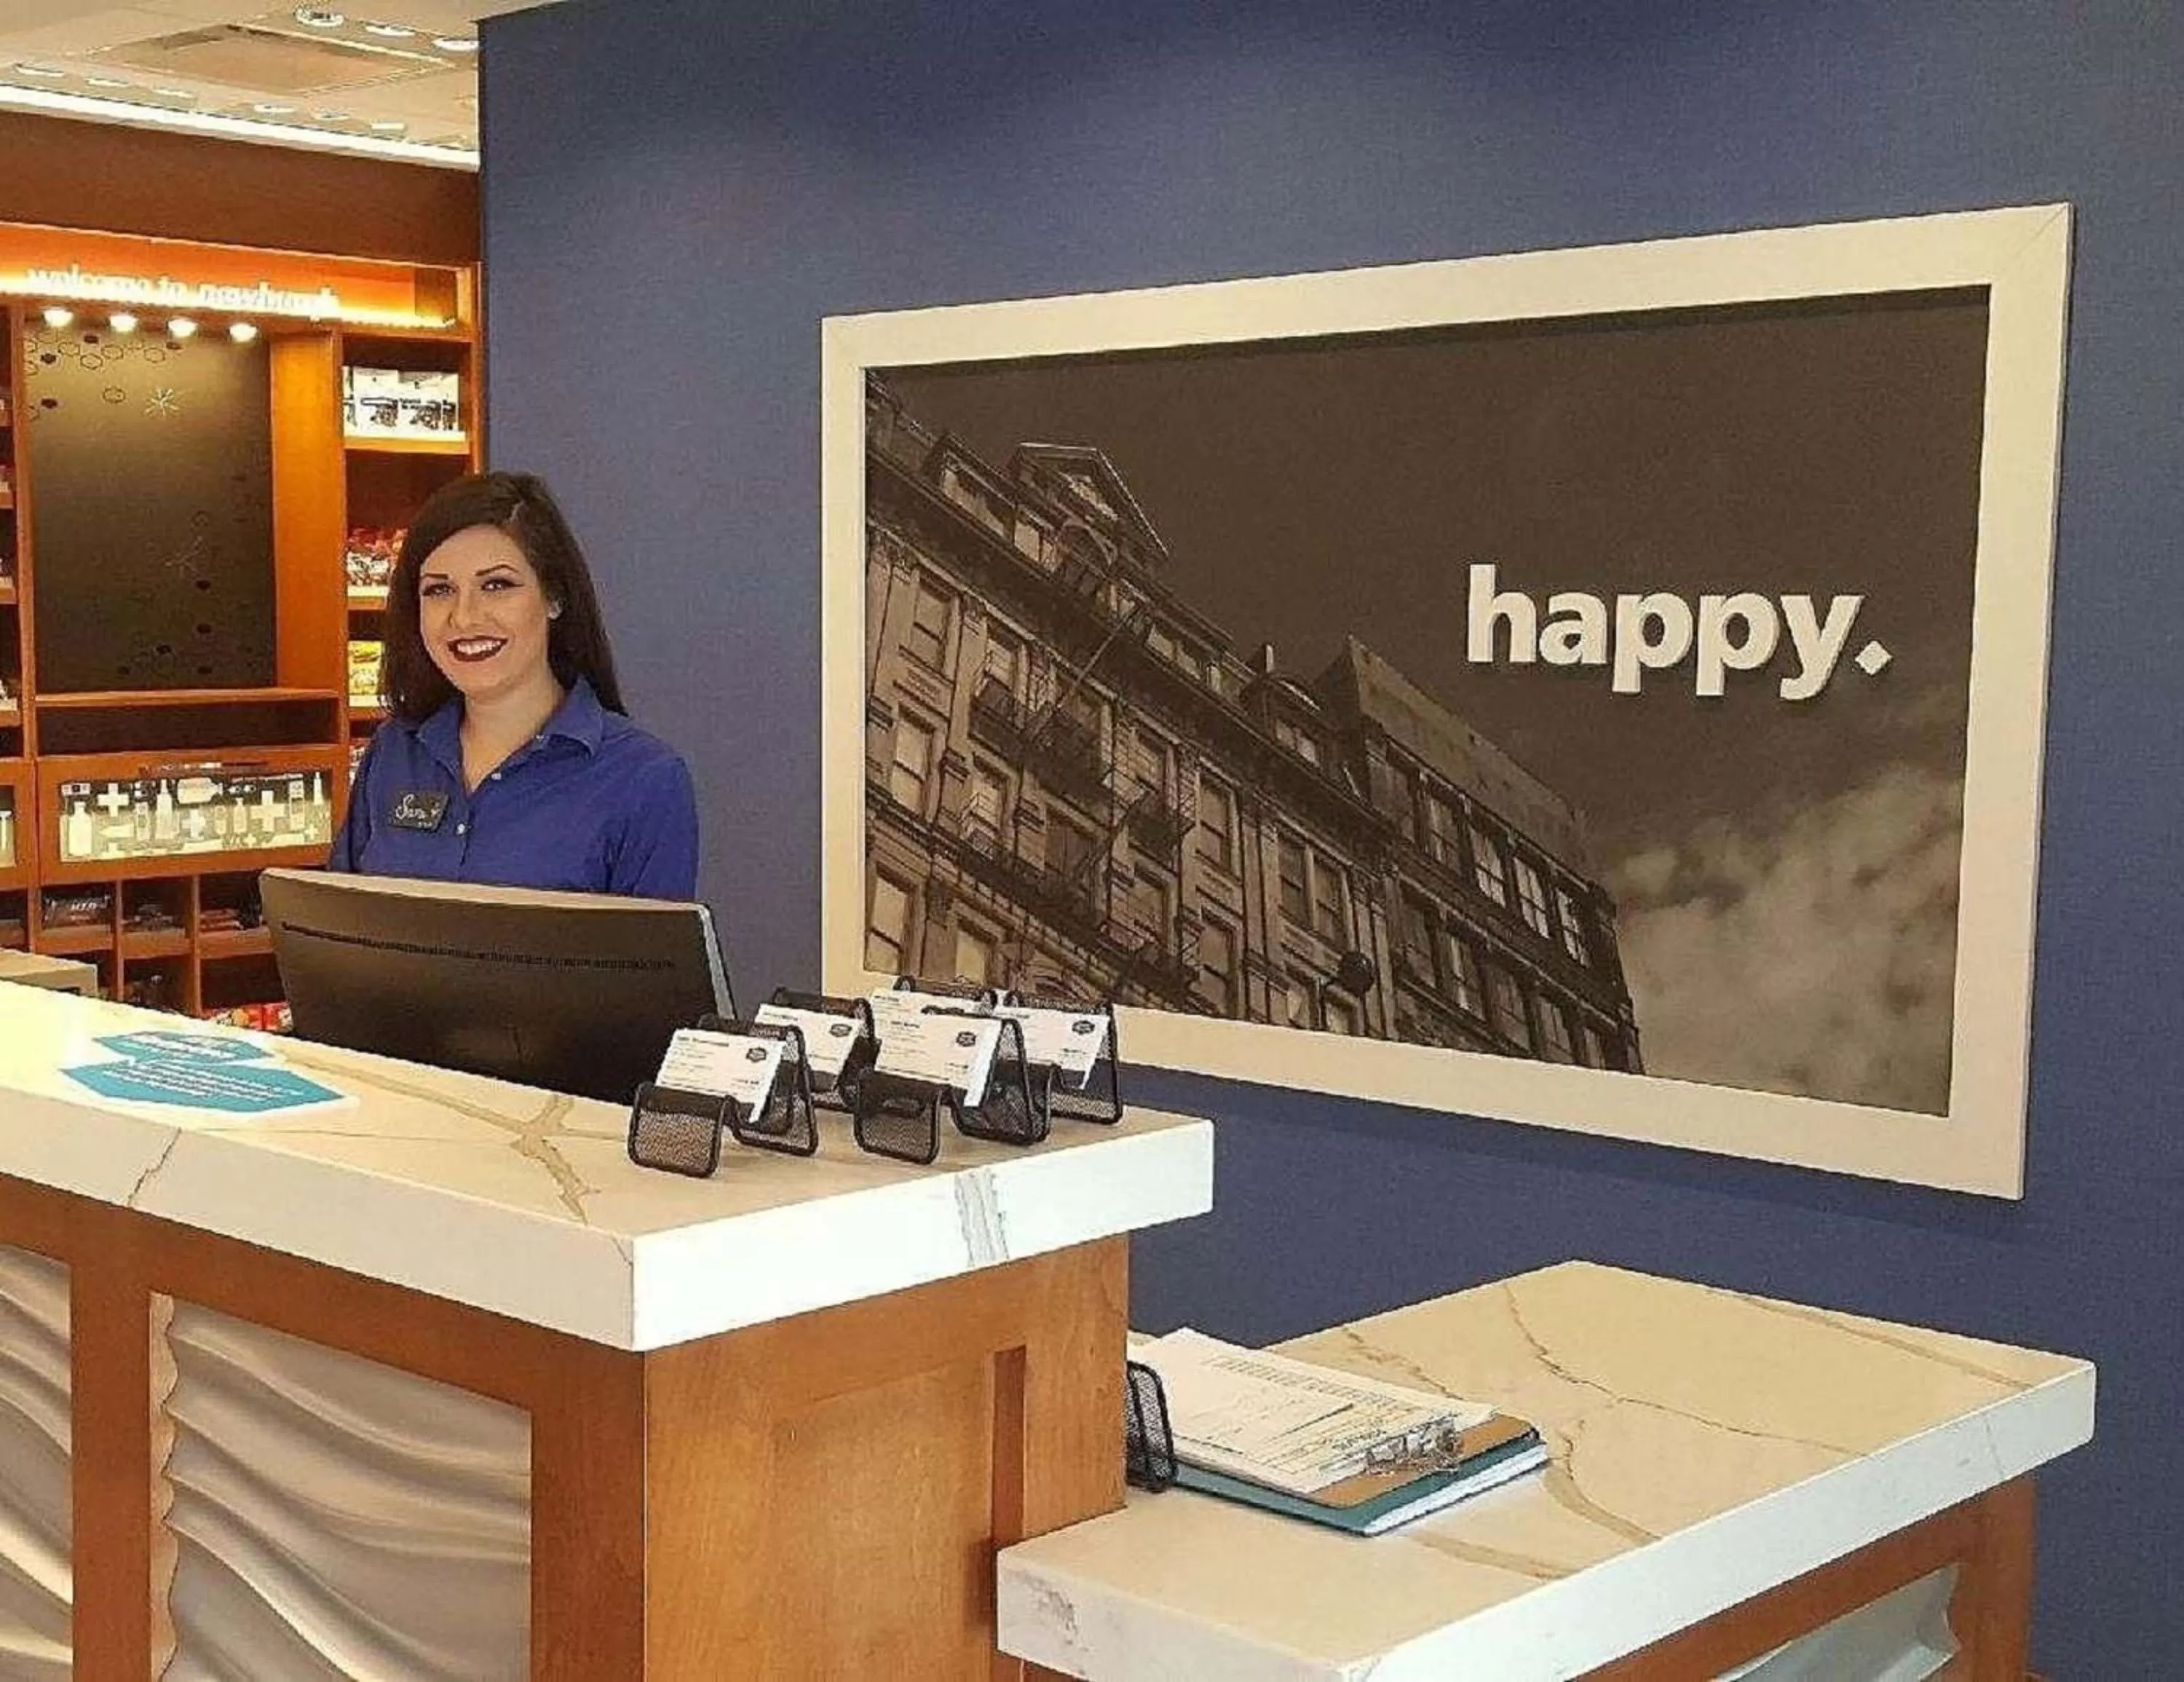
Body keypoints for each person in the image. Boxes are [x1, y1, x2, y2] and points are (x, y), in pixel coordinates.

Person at [330, 471, 699, 899]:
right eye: (439, 590)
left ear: (555, 597)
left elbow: (654, 944)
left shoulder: (645, 779)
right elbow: (338, 926)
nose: (464, 617)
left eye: (496, 585)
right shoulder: (394, 752)